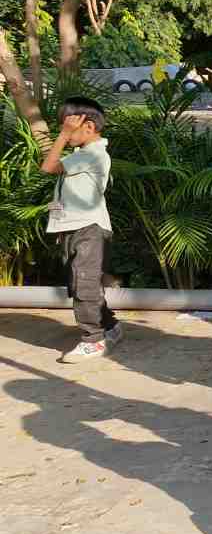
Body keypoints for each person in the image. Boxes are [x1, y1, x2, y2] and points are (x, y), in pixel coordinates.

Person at [39, 96, 122, 363]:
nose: (64, 134)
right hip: (76, 227)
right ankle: (109, 327)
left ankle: (93, 340)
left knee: (84, 285)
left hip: (88, 229)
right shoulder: (83, 155)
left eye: (68, 128)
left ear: (88, 127)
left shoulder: (93, 154)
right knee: (82, 283)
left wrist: (62, 137)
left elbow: (48, 167)